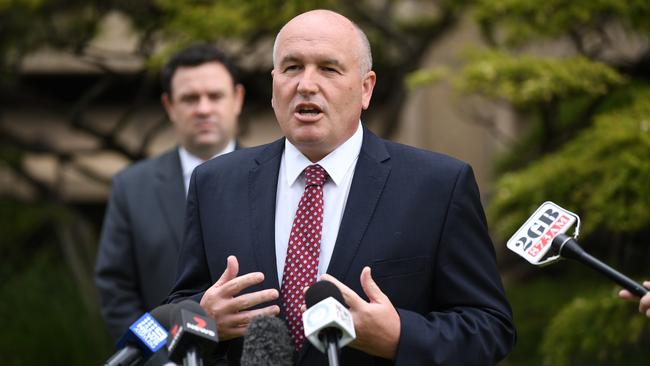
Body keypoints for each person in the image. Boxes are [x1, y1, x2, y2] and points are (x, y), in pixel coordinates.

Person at [168, 9, 516, 365]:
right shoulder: (215, 183)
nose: (306, 84)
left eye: (328, 69)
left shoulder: (438, 186)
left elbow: (489, 327)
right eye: (291, 68)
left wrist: (398, 336)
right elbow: (175, 312)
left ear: (366, 88)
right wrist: (204, 319)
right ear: (273, 85)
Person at [95, 43, 245, 342]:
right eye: (190, 98)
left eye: (214, 96)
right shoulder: (132, 187)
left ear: (237, 99)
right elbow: (117, 294)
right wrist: (161, 356)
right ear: (169, 106)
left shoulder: (279, 178)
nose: (203, 108)